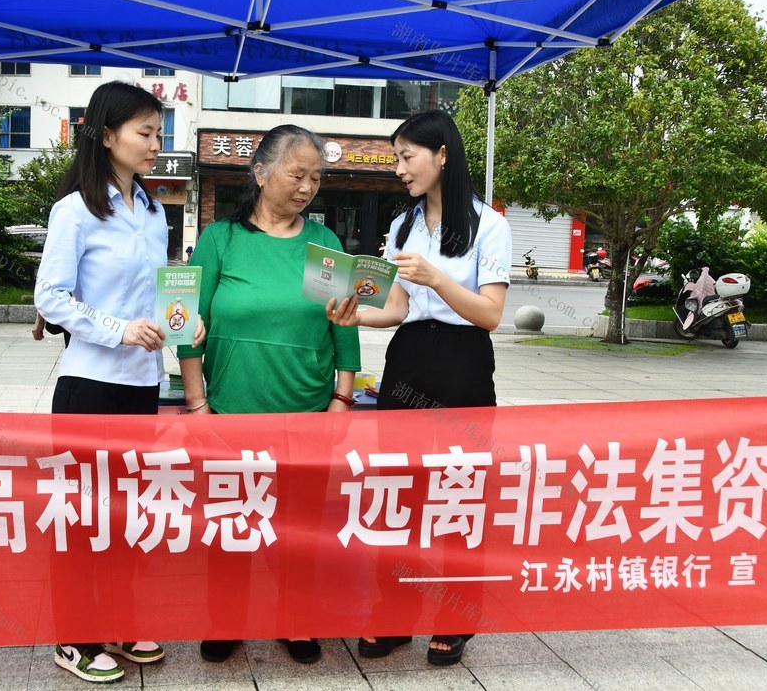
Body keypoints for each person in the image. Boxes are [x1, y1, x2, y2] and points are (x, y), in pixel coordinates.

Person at [327, 109, 511, 666]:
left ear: (442, 155)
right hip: (406, 366)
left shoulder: (489, 224)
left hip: (462, 366)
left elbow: (491, 314)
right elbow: (399, 308)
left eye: (407, 157)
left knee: (458, 496)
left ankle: (455, 620)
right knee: (397, 497)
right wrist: (355, 317)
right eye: (396, 158)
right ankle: (393, 616)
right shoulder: (403, 225)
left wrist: (438, 278)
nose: (399, 169)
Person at [34, 81, 202, 684]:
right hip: (88, 384)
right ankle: (74, 639)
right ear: (106, 136)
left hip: (139, 387)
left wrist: (184, 320)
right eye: (145, 133)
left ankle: (123, 621)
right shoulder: (74, 209)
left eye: (159, 133)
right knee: (81, 517)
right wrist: (117, 329)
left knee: (126, 513)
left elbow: (162, 295)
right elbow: (50, 298)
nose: (157, 144)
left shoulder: (156, 211)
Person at [177, 124, 361, 665]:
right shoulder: (220, 240)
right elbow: (184, 322)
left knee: (300, 530)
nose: (307, 187)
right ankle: (225, 620)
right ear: (259, 173)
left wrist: (342, 399)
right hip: (230, 411)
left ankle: (295, 620)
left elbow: (342, 327)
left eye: (317, 177)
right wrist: (197, 405)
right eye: (297, 174)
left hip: (308, 410)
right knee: (228, 525)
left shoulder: (322, 244)